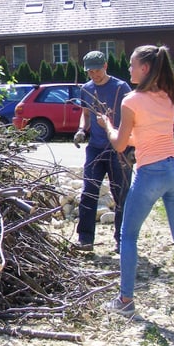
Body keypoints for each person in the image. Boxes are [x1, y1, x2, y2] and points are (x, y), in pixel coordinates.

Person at [99, 45, 174, 316]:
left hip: (150, 171)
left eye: (132, 65)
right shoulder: (168, 96)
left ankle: (126, 302)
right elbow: (142, 137)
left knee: (128, 236)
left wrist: (107, 126)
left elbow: (120, 145)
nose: (128, 69)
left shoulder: (130, 100)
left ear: (144, 68)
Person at [73, 51, 132, 253]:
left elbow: (131, 115)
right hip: (95, 148)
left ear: (105, 66)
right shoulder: (86, 89)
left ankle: (122, 240)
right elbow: (86, 114)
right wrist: (82, 129)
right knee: (89, 192)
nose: (94, 74)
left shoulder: (121, 87)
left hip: (119, 149)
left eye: (97, 70)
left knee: (121, 195)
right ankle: (85, 239)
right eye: (90, 71)